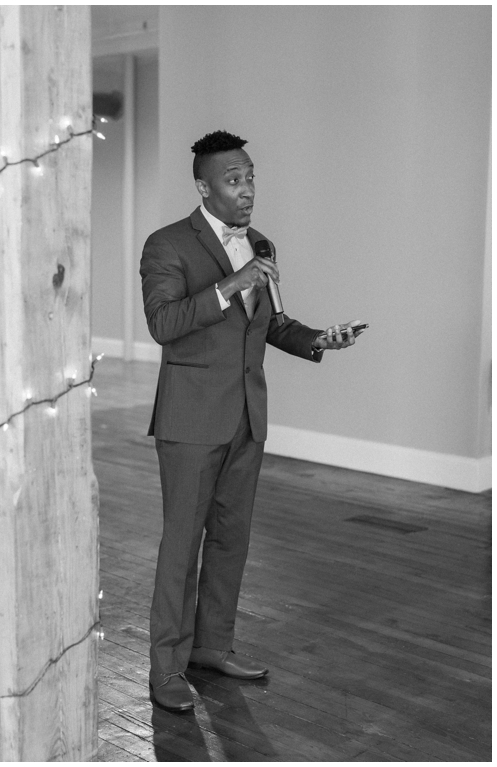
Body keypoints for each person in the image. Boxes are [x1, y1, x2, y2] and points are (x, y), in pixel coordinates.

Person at [139, 130, 362, 712]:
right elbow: (163, 322)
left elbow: (270, 323)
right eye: (234, 180)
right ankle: (165, 667)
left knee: (232, 541)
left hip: (247, 418)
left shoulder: (260, 242)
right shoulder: (166, 245)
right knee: (181, 545)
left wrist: (318, 339)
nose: (247, 190)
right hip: (190, 420)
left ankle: (212, 646)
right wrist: (229, 284)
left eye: (251, 177)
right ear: (203, 186)